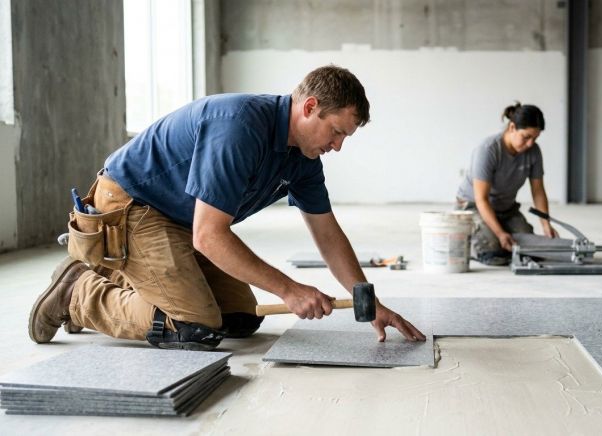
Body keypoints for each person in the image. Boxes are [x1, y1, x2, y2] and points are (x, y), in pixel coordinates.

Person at [29, 65, 426, 350]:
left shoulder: (304, 159)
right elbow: (208, 235)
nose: (337, 145)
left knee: (241, 318)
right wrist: (289, 289)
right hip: (132, 205)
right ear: (309, 107)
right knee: (194, 326)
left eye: (346, 138)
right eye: (337, 132)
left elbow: (327, 233)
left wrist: (368, 301)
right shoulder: (239, 127)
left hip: (179, 218)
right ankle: (78, 293)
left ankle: (134, 277)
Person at [455, 103, 559, 266]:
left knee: (531, 249)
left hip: (506, 209)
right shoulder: (488, 150)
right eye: (526, 137)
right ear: (512, 127)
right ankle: (472, 241)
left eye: (535, 138)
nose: (531, 143)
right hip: (474, 206)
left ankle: (498, 232)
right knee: (493, 253)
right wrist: (500, 233)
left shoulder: (533, 151)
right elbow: (481, 199)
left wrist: (546, 224)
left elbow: (538, 191)